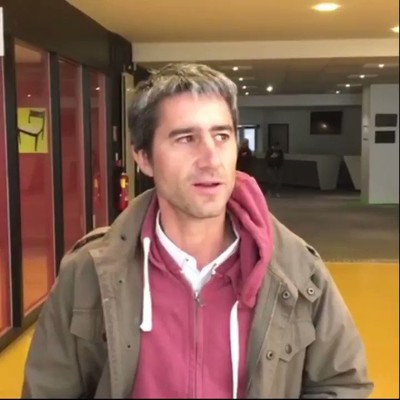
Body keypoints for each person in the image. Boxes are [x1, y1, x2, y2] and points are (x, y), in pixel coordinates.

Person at [21, 63, 373, 399]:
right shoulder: (88, 273)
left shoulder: (297, 271)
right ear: (143, 157)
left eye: (222, 136)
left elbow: (341, 382)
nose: (211, 159)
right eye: (186, 138)